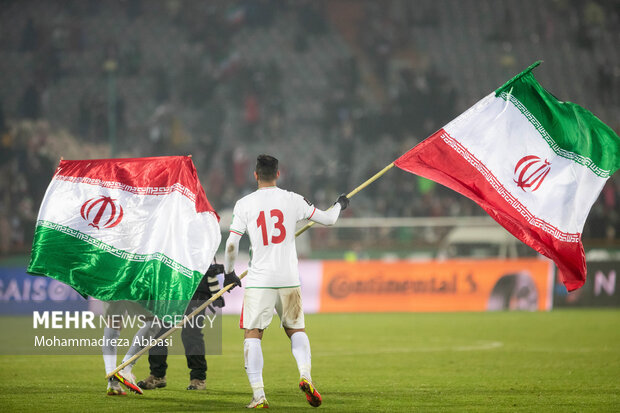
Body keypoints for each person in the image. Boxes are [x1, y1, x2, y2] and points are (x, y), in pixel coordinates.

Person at [223, 154, 349, 408]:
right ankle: (305, 375)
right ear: (278, 174)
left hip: (260, 280)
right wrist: (339, 205)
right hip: (289, 278)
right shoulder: (293, 199)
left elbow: (231, 244)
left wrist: (229, 273)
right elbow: (329, 219)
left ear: (256, 175)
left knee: (253, 334)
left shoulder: (244, 204)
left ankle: (259, 394)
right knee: (296, 330)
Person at [138, 263, 225, 391]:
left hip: (196, 288)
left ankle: (198, 378)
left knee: (191, 333)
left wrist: (215, 289)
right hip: (169, 286)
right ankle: (157, 375)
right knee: (157, 329)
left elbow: (209, 261)